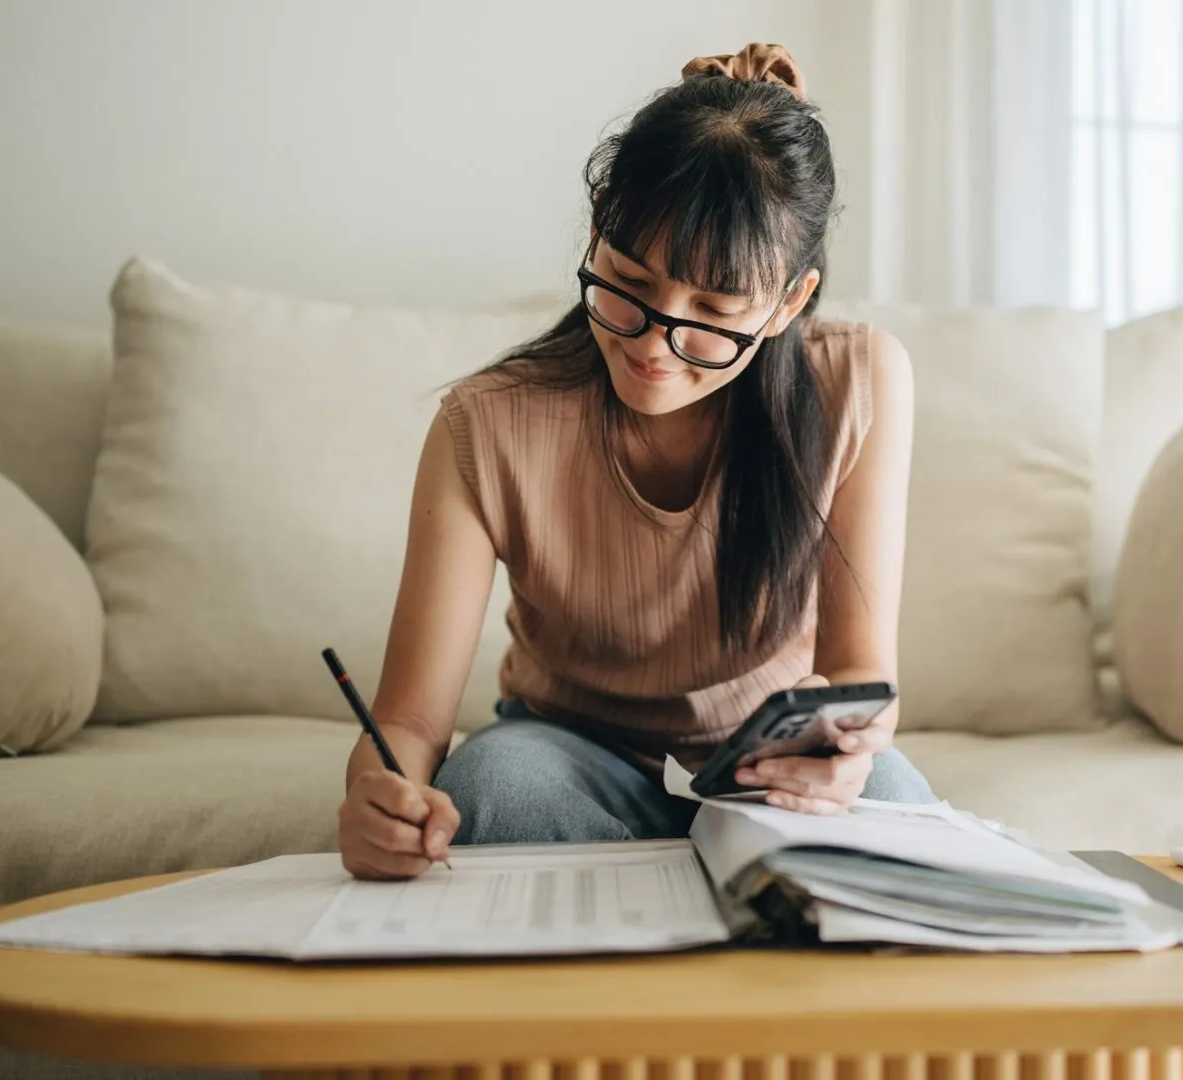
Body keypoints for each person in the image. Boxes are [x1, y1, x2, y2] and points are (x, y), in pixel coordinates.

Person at [335, 43, 934, 880]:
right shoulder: (486, 423)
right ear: (596, 226)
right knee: (494, 791)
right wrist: (377, 788)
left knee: (900, 819)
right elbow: (409, 722)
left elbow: (861, 671)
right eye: (626, 283)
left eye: (714, 311)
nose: (657, 344)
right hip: (568, 750)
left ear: (789, 302)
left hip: (768, 761)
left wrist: (851, 750)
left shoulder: (858, 380)